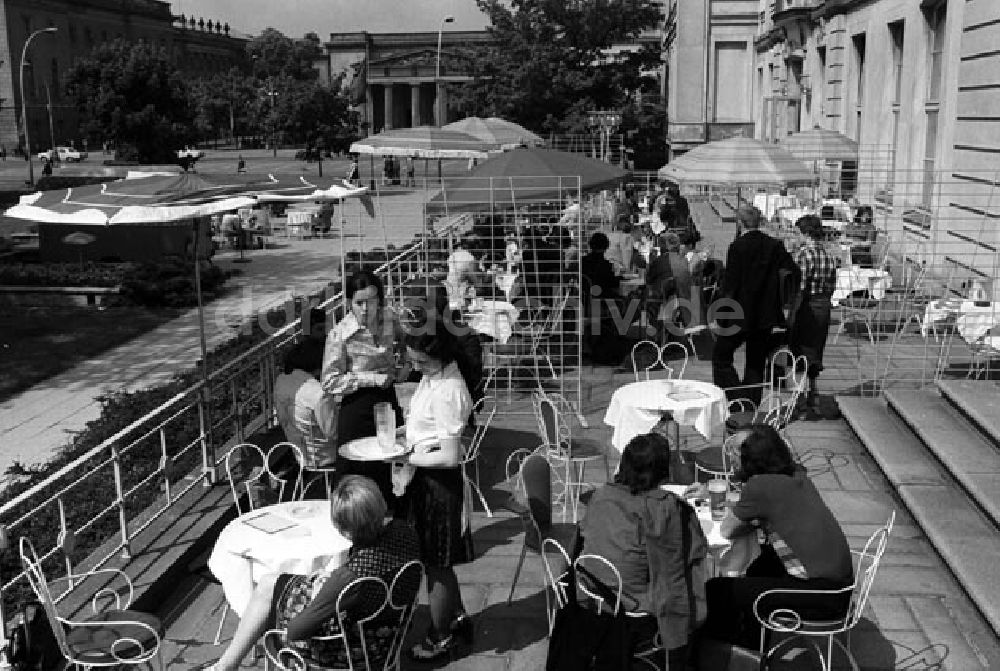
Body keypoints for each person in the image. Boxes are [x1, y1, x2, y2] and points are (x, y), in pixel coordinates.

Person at [207, 476, 420, 671]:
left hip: (354, 650)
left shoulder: (347, 578)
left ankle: (226, 666)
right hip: (392, 633)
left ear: (343, 530)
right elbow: (372, 571)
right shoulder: (405, 532)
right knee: (272, 583)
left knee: (267, 589)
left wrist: (322, 591)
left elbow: (296, 632)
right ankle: (226, 665)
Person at [702, 425, 853, 649]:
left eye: (736, 452)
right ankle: (753, 645)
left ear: (753, 459)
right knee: (758, 565)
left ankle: (726, 654)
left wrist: (739, 512)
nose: (731, 457)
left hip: (823, 595)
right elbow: (763, 506)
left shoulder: (760, 487)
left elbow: (727, 530)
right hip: (841, 586)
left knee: (716, 589)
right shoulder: (796, 473)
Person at [579, 432, 707, 668]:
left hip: (592, 591)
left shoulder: (601, 494)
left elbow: (589, 531)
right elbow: (678, 566)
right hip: (633, 604)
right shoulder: (663, 508)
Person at [398, 315, 476, 660]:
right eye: (413, 360)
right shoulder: (434, 378)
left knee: (437, 564)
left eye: (421, 362)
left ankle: (441, 634)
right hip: (426, 479)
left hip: (439, 485)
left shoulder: (448, 390)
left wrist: (407, 457)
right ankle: (455, 616)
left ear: (439, 355)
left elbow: (449, 455)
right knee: (436, 562)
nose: (416, 367)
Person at [322, 270, 404, 502]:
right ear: (349, 303)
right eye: (359, 303)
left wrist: (404, 366)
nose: (366, 309)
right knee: (354, 471)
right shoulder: (339, 335)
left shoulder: (390, 319)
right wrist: (369, 378)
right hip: (357, 405)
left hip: (387, 400)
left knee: (387, 464)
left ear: (380, 300)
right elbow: (329, 381)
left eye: (371, 302)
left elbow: (408, 343)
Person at [712, 205, 800, 405]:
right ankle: (750, 403)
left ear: (740, 223)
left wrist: (721, 315)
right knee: (755, 362)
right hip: (765, 313)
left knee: (721, 357)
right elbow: (792, 272)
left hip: (739, 312)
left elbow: (731, 285)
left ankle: (736, 397)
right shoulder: (774, 245)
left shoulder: (737, 247)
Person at [789, 215, 836, 416]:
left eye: (797, 233)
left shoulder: (804, 255)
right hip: (823, 305)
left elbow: (800, 287)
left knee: (801, 350)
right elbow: (832, 286)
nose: (795, 237)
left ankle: (801, 400)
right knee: (816, 350)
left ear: (806, 234)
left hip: (806, 306)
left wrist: (791, 314)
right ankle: (813, 393)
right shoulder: (828, 255)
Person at [274, 340, 339, 470]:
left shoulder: (281, 381)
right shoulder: (318, 393)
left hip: (299, 454)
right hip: (325, 458)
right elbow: (334, 432)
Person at [581, 231, 620, 299]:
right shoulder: (606, 265)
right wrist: (619, 278)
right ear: (606, 247)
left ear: (590, 245)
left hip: (583, 300)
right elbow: (613, 284)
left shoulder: (581, 261)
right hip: (602, 301)